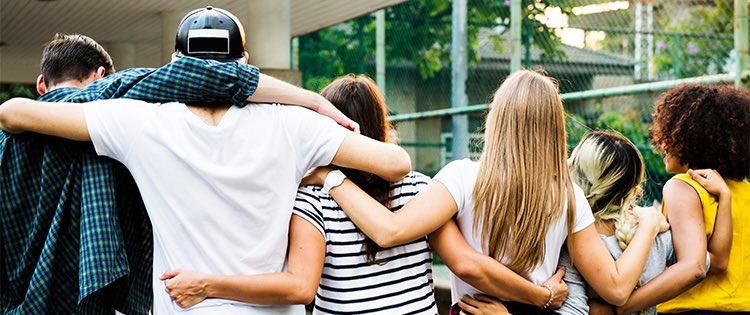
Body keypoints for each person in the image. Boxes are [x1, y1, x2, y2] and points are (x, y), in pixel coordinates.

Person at [1, 7, 397, 315]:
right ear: (244, 62)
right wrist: (325, 170)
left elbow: (15, 113)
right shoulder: (294, 125)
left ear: (178, 65)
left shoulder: (139, 122)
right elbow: (394, 163)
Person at [300, 70, 669, 313]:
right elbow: (618, 290)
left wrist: (332, 177)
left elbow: (392, 231)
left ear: (496, 118)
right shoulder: (569, 196)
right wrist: (650, 224)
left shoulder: (460, 178)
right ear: (555, 128)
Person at [555, 130, 730, 315]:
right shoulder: (657, 235)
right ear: (632, 187)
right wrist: (724, 196)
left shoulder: (571, 240)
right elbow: (712, 261)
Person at [613, 84, 750, 314]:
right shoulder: (745, 192)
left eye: (668, 134)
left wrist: (626, 306)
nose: (661, 144)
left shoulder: (683, 188)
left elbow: (703, 265)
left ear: (690, 138)